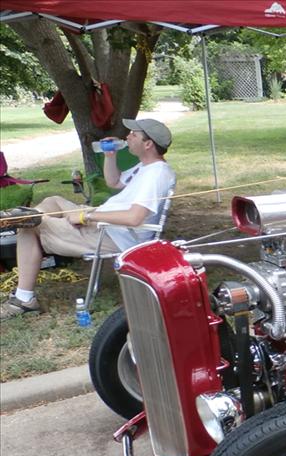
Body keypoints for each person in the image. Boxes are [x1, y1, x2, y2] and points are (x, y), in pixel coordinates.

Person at [0, 118, 176, 320]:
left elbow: (134, 218)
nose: (127, 137)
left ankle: (24, 299)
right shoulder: (146, 167)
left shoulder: (156, 174)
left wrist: (87, 216)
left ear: (148, 144)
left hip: (113, 235)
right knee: (53, 201)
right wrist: (110, 156)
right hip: (105, 224)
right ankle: (29, 218)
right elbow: (114, 181)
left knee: (31, 226)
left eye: (133, 135)